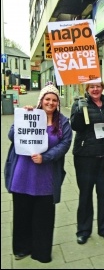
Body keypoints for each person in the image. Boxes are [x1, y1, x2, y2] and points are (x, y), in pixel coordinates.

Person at [4, 82, 73, 263]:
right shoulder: (30, 115)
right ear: (41, 100)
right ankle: (21, 248)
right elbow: (12, 136)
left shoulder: (63, 123)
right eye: (47, 99)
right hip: (23, 174)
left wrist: (46, 157)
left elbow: (64, 145)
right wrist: (21, 117)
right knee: (22, 213)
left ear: (57, 103)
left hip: (46, 176)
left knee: (44, 215)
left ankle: (41, 251)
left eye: (54, 99)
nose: (50, 102)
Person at [70, 82, 104, 245]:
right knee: (85, 193)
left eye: (98, 86)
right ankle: (83, 230)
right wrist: (78, 111)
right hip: (85, 156)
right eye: (92, 87)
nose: (95, 89)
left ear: (102, 88)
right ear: (87, 89)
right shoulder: (79, 104)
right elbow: (75, 126)